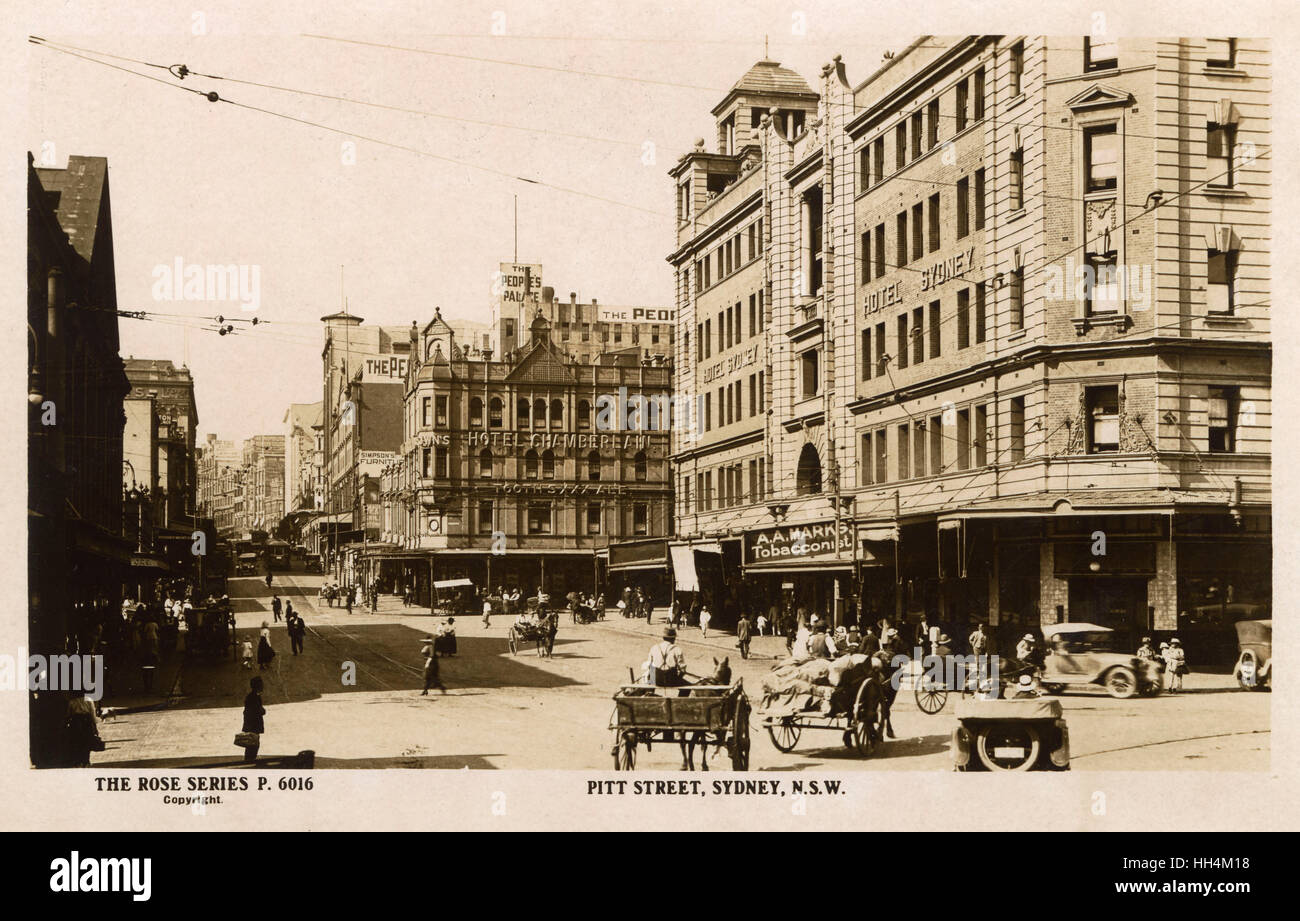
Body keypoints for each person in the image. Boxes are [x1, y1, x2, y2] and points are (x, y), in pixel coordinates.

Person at [65, 694, 101, 767]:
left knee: (77, 742)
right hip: (86, 722)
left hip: (75, 723)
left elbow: (68, 714)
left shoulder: (72, 701)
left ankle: (78, 761)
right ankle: (86, 761)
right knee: (86, 742)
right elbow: (92, 713)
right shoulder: (89, 700)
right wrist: (95, 727)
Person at [241, 676, 265, 763]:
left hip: (252, 725)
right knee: (253, 745)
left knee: (252, 745)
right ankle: (249, 762)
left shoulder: (252, 696)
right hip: (253, 726)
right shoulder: (254, 697)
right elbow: (257, 711)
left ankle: (249, 761)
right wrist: (262, 711)